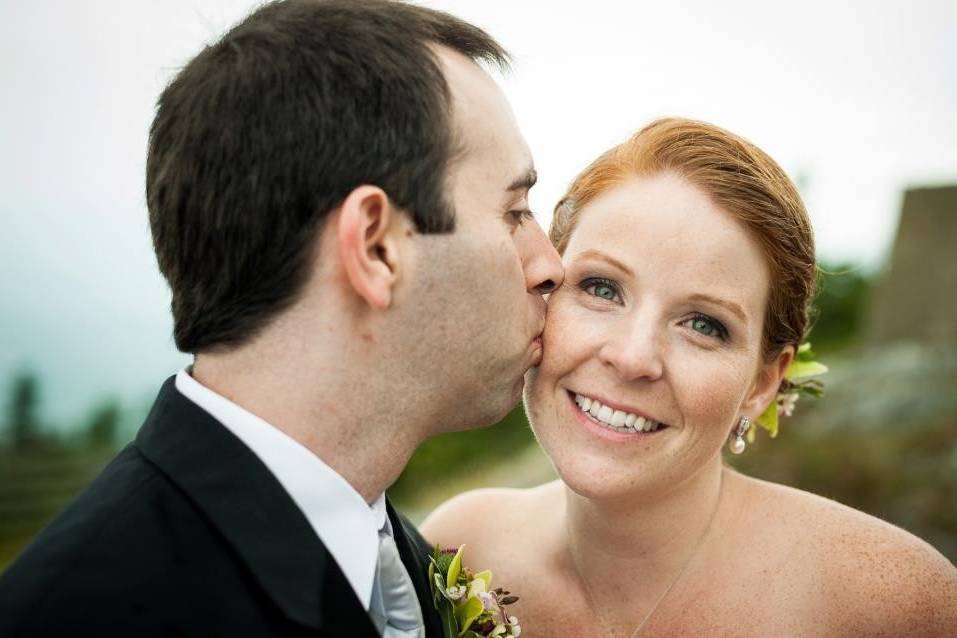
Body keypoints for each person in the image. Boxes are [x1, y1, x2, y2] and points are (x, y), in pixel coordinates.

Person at [0, 1, 562, 636]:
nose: (550, 265)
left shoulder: (395, 556)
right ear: (376, 247)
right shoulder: (79, 617)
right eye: (514, 211)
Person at [423, 118, 957, 636]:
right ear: (545, 285)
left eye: (704, 325)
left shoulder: (891, 604)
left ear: (764, 383)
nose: (633, 358)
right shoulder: (461, 548)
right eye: (603, 289)